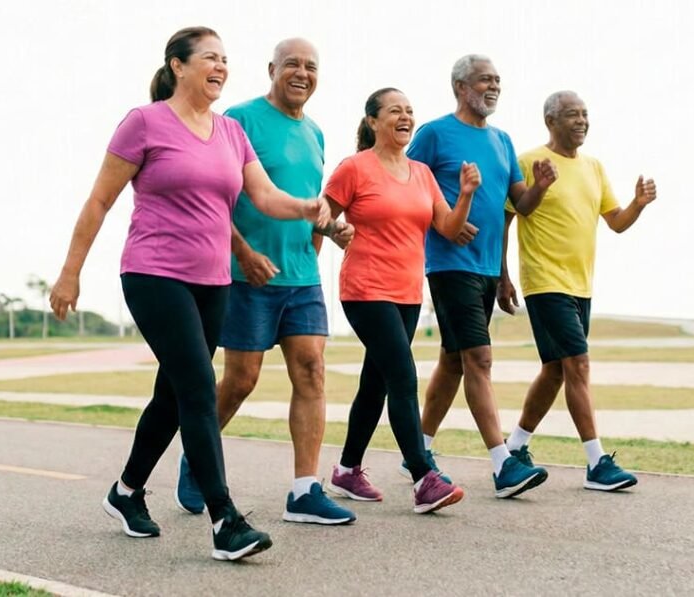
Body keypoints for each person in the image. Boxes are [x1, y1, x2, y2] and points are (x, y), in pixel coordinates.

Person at [49, 27, 330, 561]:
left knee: (172, 394)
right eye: (209, 58)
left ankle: (126, 491)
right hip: (154, 274)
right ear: (178, 66)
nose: (220, 67)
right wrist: (70, 273)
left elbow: (264, 195)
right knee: (200, 388)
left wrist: (307, 207)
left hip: (213, 281)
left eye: (225, 60)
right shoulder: (144, 123)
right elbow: (98, 202)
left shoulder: (230, 133)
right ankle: (226, 520)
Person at [174, 38, 357, 526]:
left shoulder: (316, 133)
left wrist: (331, 229)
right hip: (246, 272)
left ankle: (304, 491)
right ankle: (197, 456)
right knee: (241, 380)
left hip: (301, 274)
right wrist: (244, 252)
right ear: (272, 68)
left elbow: (305, 205)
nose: (302, 73)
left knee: (312, 371)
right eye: (292, 64)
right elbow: (215, 198)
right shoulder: (239, 120)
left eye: (311, 66)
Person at [403, 54, 554, 498]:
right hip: (450, 263)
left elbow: (519, 205)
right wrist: (442, 219)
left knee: (453, 360)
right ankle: (502, 464)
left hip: (487, 266)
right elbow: (407, 182)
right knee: (479, 359)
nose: (494, 87)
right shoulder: (433, 134)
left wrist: (541, 186)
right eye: (485, 80)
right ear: (460, 87)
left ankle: (419, 449)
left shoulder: (503, 141)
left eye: (498, 81)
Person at [323, 87, 479, 514]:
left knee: (376, 382)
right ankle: (422, 476)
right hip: (365, 289)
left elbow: (447, 227)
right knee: (402, 376)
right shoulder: (354, 168)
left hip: (408, 293)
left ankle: (347, 469)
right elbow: (322, 216)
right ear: (373, 121)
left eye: (410, 111)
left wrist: (465, 194)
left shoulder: (422, 174)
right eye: (395, 111)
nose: (405, 117)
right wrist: (335, 233)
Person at [502, 90, 658, 491]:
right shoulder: (528, 161)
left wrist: (638, 204)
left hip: (581, 285)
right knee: (579, 364)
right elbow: (509, 217)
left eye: (585, 114)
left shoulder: (594, 167)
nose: (582, 121)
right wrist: (502, 277)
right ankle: (596, 463)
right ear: (551, 120)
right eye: (572, 115)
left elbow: (617, 222)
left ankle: (516, 446)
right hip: (544, 281)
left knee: (555, 370)